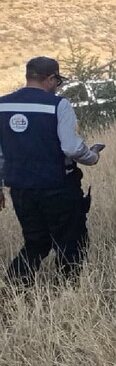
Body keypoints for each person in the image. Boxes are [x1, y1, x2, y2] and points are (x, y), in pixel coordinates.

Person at [0, 57, 104, 283]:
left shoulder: (3, 105)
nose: (57, 86)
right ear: (50, 78)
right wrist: (92, 156)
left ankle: (12, 290)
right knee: (71, 241)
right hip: (57, 187)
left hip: (20, 189)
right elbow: (70, 147)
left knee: (36, 242)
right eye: (57, 81)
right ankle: (69, 290)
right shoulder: (58, 105)